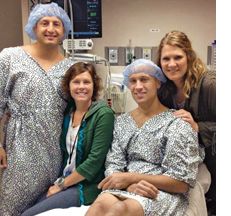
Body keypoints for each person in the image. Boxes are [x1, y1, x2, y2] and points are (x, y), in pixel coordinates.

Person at [85, 59, 204, 216]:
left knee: (120, 210)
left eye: (144, 79)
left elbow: (181, 183)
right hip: (127, 187)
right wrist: (128, 185)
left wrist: (131, 178)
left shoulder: (176, 123)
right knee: (99, 206)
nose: (138, 86)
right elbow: (113, 164)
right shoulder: (121, 122)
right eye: (133, 81)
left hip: (162, 192)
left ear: (158, 83)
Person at [0, 2, 75, 215]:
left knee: (45, 207)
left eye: (57, 24)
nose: (51, 29)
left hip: (55, 149)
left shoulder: (70, 67)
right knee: (12, 203)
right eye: (44, 23)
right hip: (19, 146)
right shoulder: (10, 57)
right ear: (34, 26)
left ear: (64, 31)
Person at [21, 62, 115, 215]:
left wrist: (61, 185)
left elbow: (94, 162)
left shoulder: (103, 114)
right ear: (69, 86)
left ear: (94, 86)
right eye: (76, 82)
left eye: (86, 82)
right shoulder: (68, 114)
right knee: (27, 209)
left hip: (86, 186)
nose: (81, 86)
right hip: (65, 181)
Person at [156, 30, 216, 215]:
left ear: (189, 57)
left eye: (178, 57)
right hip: (183, 161)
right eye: (166, 59)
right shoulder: (164, 89)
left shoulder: (210, 85)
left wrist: (198, 127)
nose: (171, 64)